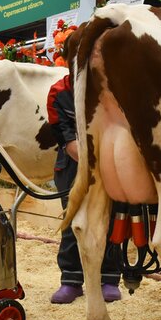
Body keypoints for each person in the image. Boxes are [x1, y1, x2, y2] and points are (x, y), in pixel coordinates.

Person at [46, 73, 121, 304]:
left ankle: (109, 279)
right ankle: (71, 280)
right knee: (72, 220)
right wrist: (92, 161)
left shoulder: (113, 88)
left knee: (110, 217)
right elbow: (67, 140)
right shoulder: (59, 93)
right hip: (73, 161)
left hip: (110, 156)